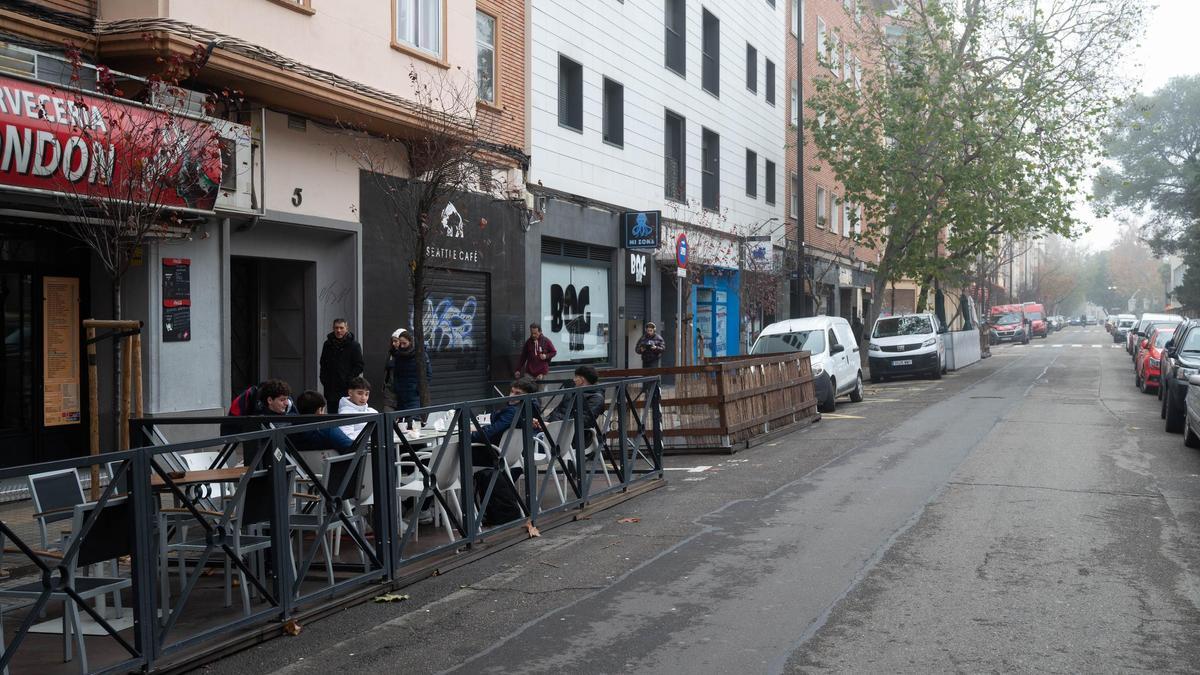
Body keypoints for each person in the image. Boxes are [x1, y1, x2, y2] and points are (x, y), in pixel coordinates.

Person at [470, 377, 540, 464]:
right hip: (515, 455)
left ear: (528, 396)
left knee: (457, 450)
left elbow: (490, 433)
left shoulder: (512, 412)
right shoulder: (531, 409)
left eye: (518, 393)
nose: (511, 396)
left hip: (494, 455)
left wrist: (467, 435)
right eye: (512, 391)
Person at [221, 378, 296, 435]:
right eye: (282, 400)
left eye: (287, 399)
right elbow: (228, 430)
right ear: (270, 400)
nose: (286, 403)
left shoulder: (289, 403)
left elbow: (299, 427)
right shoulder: (249, 398)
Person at [543, 365, 605, 432]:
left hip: (567, 434)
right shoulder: (572, 391)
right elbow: (557, 410)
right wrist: (543, 421)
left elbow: (584, 421)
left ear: (582, 380)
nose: (573, 379)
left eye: (576, 377)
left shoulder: (596, 398)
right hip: (553, 428)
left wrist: (551, 425)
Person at [319, 318, 364, 405]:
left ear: (346, 328)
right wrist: (324, 380)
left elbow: (359, 366)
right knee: (333, 415)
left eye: (341, 328)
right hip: (331, 388)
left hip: (346, 390)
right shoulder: (327, 344)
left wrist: (349, 380)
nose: (338, 330)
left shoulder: (354, 345)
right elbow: (323, 363)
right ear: (333, 328)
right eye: (336, 328)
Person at [385, 328, 432, 412]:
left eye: (404, 343)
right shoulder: (396, 355)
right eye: (400, 343)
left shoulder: (420, 354)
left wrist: (418, 389)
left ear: (410, 342)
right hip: (400, 396)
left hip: (413, 395)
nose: (401, 346)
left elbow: (428, 374)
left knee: (413, 420)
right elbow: (394, 376)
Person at [338, 376, 378, 441]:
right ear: (350, 393)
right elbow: (347, 439)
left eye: (366, 394)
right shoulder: (345, 413)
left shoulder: (373, 411)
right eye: (359, 393)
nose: (363, 398)